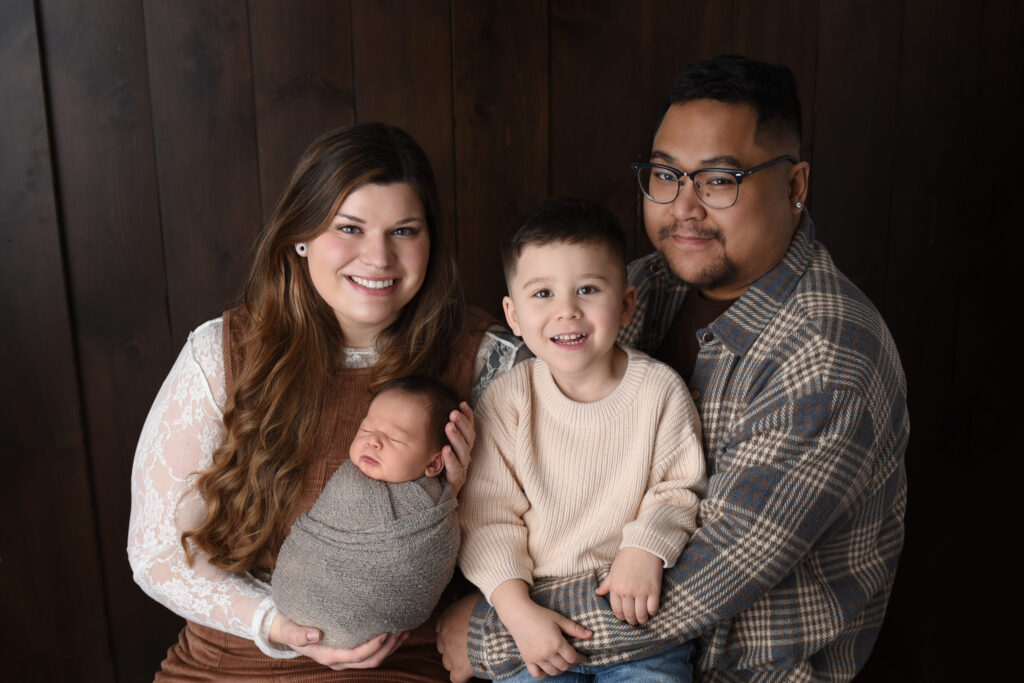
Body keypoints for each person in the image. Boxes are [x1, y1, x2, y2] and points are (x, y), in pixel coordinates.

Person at [438, 55, 909, 681]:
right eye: (665, 175)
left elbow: (697, 586)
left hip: (740, 671)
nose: (683, 207)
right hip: (576, 650)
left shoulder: (826, 361)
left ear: (795, 185)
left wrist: (486, 634)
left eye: (718, 180)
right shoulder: (641, 285)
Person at [127, 122, 522, 680]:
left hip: (398, 663)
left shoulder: (485, 360)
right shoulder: (223, 353)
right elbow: (158, 553)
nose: (378, 257)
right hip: (229, 661)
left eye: (404, 231)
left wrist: (446, 514)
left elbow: (556, 534)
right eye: (350, 228)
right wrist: (275, 625)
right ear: (302, 235)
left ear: (430, 243)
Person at [458, 198, 707, 681]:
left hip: (637, 622)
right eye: (542, 294)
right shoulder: (510, 400)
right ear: (513, 315)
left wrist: (646, 546)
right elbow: (487, 517)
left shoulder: (659, 391)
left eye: (588, 290)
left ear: (627, 304)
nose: (567, 311)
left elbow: (679, 487)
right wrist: (515, 610)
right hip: (538, 620)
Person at [273, 375, 463, 650]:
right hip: (295, 593)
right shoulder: (348, 480)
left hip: (375, 621)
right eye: (366, 430)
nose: (373, 441)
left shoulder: (433, 507)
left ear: (434, 464)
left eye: (394, 438)